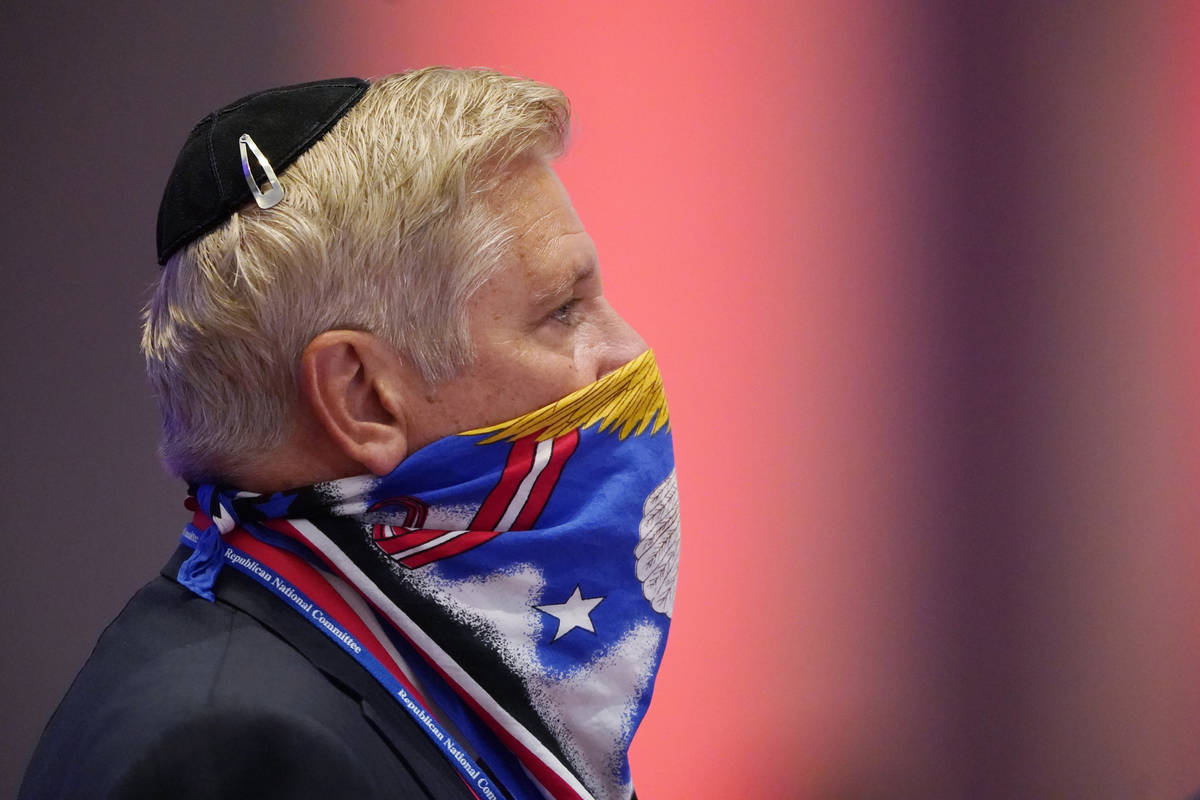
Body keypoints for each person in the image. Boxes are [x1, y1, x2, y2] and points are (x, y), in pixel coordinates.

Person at [19, 68, 680, 800]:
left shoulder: (403, 656)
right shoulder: (235, 755)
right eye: (562, 311)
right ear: (362, 396)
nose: (629, 352)